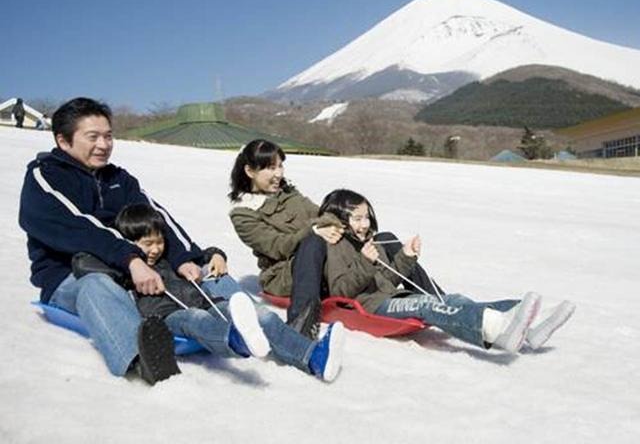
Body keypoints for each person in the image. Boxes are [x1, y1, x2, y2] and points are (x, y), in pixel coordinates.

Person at [18, 97, 217, 384]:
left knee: (199, 274)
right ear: (63, 141)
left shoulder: (119, 179)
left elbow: (157, 217)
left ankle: (232, 326)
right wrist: (131, 258)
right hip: (69, 277)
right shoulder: (44, 177)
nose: (104, 144)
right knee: (97, 285)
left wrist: (185, 259)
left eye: (108, 136)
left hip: (128, 270)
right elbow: (80, 226)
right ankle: (143, 359)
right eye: (93, 137)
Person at [74, 203, 346, 382]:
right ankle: (236, 339)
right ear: (129, 244)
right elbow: (85, 264)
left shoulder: (169, 257)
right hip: (168, 316)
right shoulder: (126, 269)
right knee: (195, 318)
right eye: (148, 244)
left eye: (159, 242)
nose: (155, 249)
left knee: (259, 314)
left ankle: (313, 356)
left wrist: (216, 254)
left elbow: (202, 254)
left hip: (206, 300)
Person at [228, 139, 442, 338]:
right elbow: (278, 247)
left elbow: (322, 214)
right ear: (249, 171)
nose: (278, 174)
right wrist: (313, 231)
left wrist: (348, 225)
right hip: (285, 273)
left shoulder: (288, 193)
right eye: (270, 168)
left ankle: (439, 301)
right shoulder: (243, 214)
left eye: (280, 166)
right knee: (314, 242)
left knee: (385, 238)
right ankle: (303, 321)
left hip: (322, 260)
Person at [319, 189, 576, 353]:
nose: (365, 224)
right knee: (436, 306)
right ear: (341, 220)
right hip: (373, 306)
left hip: (390, 298)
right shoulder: (336, 246)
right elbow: (341, 290)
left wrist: (405, 257)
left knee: (451, 301)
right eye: (357, 218)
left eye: (366, 217)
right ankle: (502, 329)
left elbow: (385, 279)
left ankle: (529, 324)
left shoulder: (368, 244)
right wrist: (364, 262)